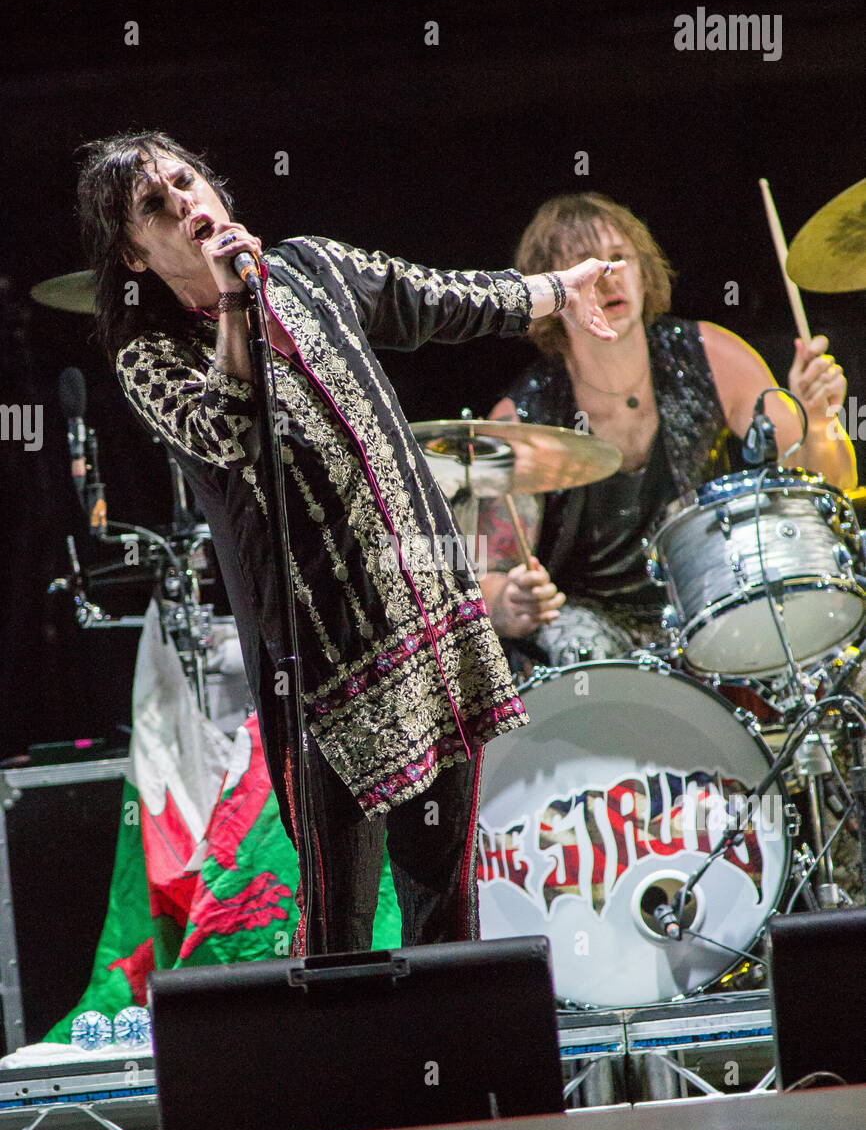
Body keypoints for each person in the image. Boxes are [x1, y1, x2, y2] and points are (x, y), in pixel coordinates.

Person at [75, 133, 625, 955]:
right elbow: (229, 428)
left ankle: (461, 1073)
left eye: (186, 182)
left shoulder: (312, 269)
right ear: (134, 254)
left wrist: (553, 289)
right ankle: (355, 1076)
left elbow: (436, 296)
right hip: (322, 659)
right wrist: (233, 303)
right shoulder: (149, 355)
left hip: (424, 622)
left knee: (445, 898)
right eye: (156, 205)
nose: (186, 203)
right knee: (340, 928)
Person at [477, 192, 857, 668]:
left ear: (643, 270)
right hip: (593, 624)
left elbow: (830, 488)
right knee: (574, 642)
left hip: (709, 599)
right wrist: (509, 603)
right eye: (588, 265)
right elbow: (488, 576)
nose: (610, 275)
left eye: (620, 258)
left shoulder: (712, 356)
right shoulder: (522, 416)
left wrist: (819, 421)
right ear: (551, 292)